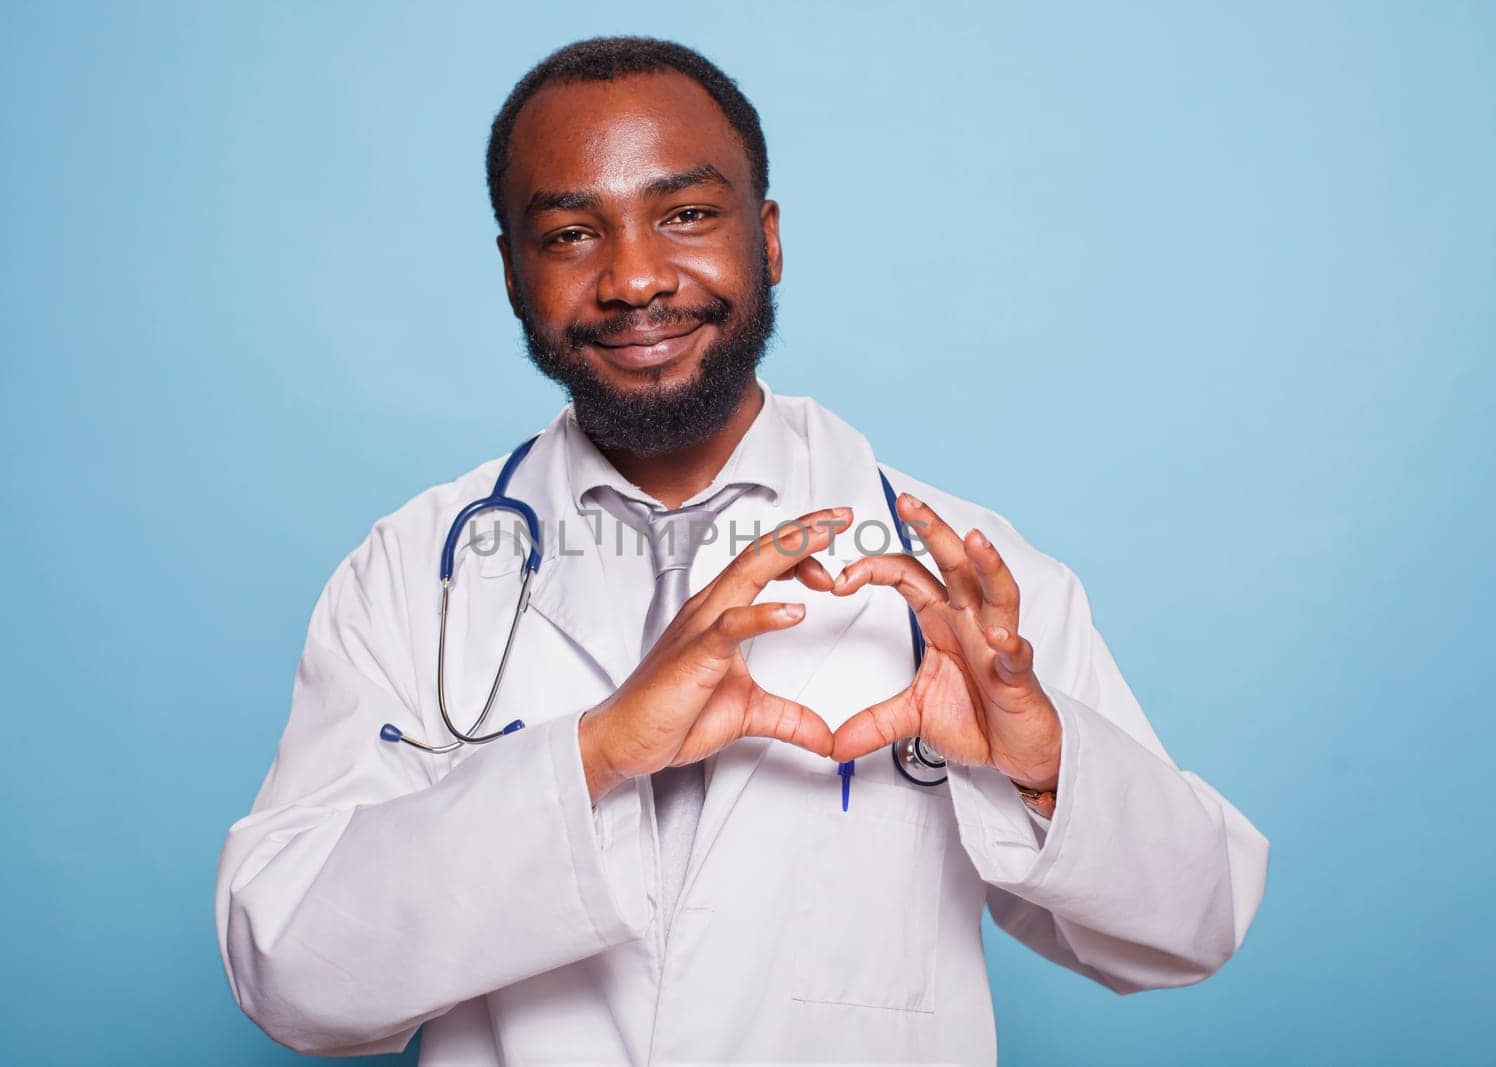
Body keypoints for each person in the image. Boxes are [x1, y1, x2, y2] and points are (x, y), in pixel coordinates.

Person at [214, 36, 1268, 1065]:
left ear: (765, 238)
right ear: (510, 270)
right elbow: (292, 974)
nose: (633, 279)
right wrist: (597, 752)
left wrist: (1044, 766)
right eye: (572, 232)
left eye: (684, 214)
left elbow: (1190, 926)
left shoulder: (963, 581)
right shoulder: (413, 572)